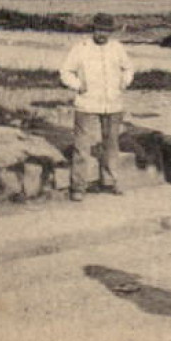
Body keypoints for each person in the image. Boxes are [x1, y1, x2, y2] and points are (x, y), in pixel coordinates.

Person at [60, 13, 135, 201]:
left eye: (106, 30)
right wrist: (78, 85)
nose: (102, 34)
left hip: (113, 103)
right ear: (93, 29)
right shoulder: (81, 48)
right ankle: (78, 186)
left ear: (111, 32)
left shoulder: (117, 48)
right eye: (99, 29)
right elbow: (65, 72)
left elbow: (129, 68)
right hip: (87, 103)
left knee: (111, 143)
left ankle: (109, 181)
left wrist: (123, 83)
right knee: (82, 146)